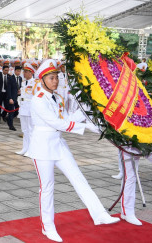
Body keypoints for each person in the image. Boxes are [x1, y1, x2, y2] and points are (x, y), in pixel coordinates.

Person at [27, 59, 119, 242]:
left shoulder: (57, 98)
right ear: (42, 79)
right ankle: (48, 226)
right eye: (52, 78)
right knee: (47, 188)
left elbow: (67, 117)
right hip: (43, 147)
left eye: (57, 77)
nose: (56, 81)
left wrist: (85, 108)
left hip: (58, 144)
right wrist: (85, 128)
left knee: (78, 178)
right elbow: (56, 123)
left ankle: (99, 213)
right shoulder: (38, 100)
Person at [16, 63, 36, 155]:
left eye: (26, 72)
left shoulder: (35, 83)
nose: (24, 73)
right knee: (24, 130)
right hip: (23, 108)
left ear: (31, 73)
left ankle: (31, 150)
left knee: (31, 130)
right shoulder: (23, 82)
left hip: (30, 109)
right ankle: (25, 148)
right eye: (24, 72)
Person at [0, 65, 17, 130]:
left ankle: (3, 115)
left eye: (7, 70)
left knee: (7, 106)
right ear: (2, 70)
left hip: (7, 94)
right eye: (5, 70)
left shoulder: (10, 77)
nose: (6, 72)